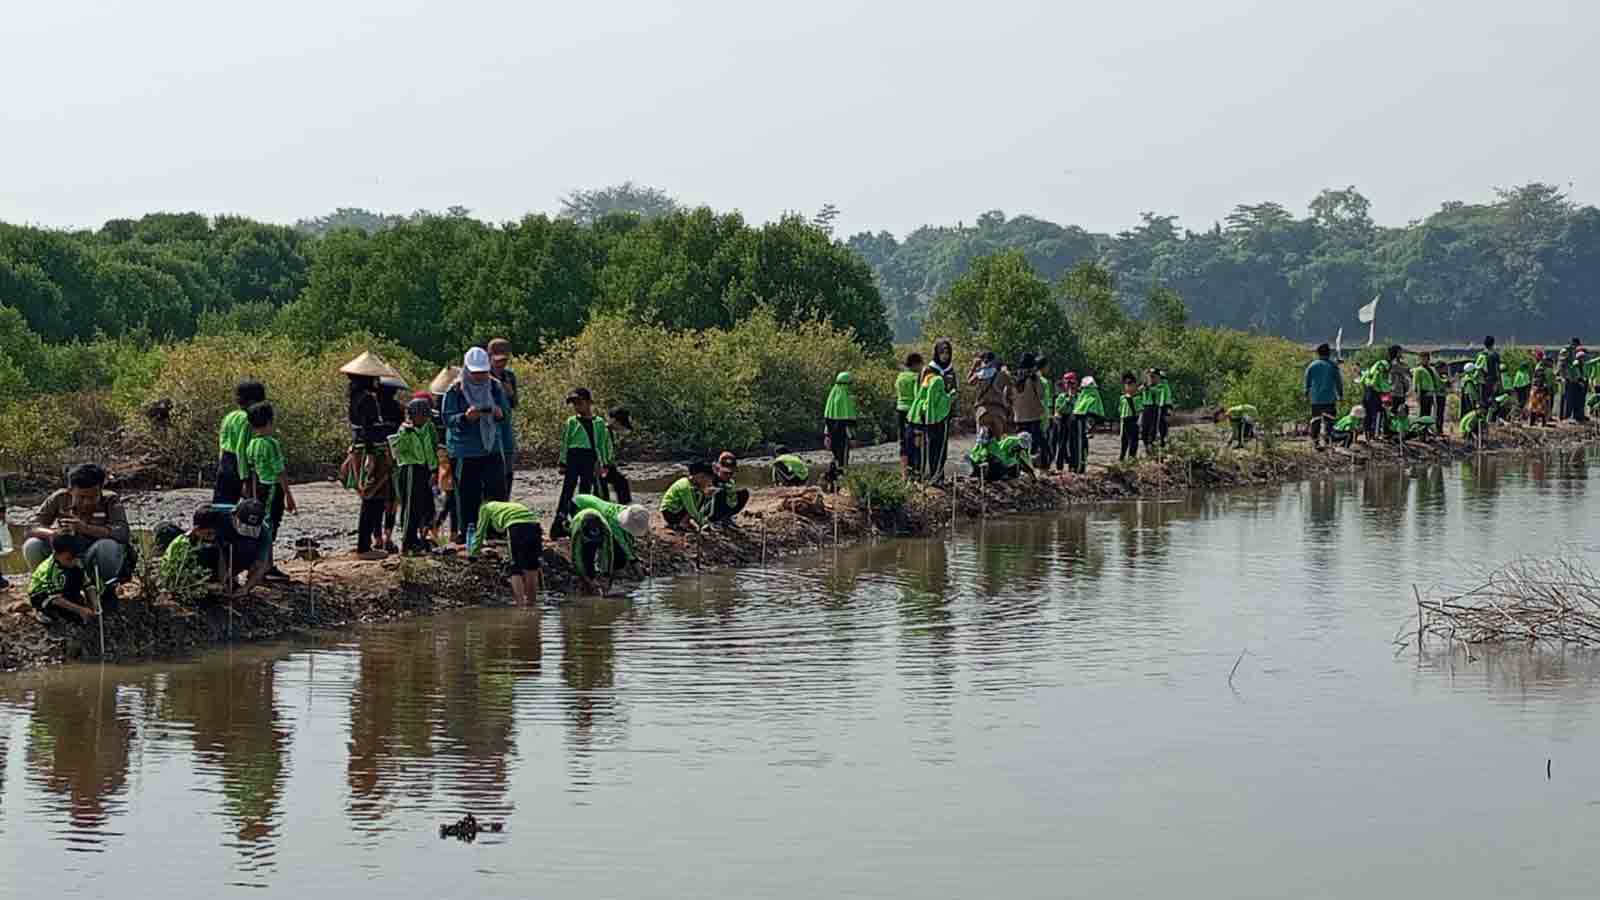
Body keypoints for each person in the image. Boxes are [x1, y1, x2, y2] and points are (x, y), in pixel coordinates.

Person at [23, 463, 131, 613]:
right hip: (65, 560)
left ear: (101, 489)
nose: (87, 502)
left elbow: (122, 532)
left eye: (93, 497)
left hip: (91, 558)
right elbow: (31, 527)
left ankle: (105, 591)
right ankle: (52, 591)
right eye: (81, 497)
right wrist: (54, 533)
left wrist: (85, 529)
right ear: (70, 490)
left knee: (109, 547)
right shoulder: (59, 498)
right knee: (32, 545)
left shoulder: (111, 500)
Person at [442, 347, 513, 545]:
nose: (480, 376)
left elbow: (506, 415)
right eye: (476, 372)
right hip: (465, 450)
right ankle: (469, 535)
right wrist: (465, 417)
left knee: (497, 492)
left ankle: (495, 533)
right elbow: (447, 419)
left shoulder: (495, 387)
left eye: (483, 371)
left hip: (491, 447)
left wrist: (499, 414)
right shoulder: (455, 390)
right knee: (467, 495)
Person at [340, 352, 401, 559]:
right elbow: (369, 430)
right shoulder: (367, 400)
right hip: (371, 451)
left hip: (361, 449)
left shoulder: (355, 397)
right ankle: (364, 547)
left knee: (372, 498)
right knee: (372, 499)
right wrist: (374, 456)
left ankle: (365, 544)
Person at [553, 387, 614, 537]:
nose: (577, 407)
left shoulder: (599, 423)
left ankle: (582, 522)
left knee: (585, 492)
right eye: (574, 404)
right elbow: (566, 443)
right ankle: (559, 523)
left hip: (590, 458)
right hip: (573, 457)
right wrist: (562, 462)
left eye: (580, 403)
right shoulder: (571, 422)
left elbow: (602, 445)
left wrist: (604, 464)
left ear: (589, 403)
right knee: (567, 491)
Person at [244, 401, 296, 576]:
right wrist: (288, 495)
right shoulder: (271, 444)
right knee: (270, 525)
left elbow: (252, 472)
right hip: (272, 487)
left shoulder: (251, 444)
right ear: (269, 421)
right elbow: (279, 471)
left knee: (264, 524)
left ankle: (266, 564)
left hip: (259, 488)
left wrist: (252, 494)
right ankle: (265, 566)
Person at [569, 494, 651, 593]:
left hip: (593, 511)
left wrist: (607, 574)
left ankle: (599, 572)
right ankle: (594, 574)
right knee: (588, 551)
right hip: (577, 504)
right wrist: (587, 579)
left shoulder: (629, 513)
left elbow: (622, 544)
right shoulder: (612, 524)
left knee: (618, 557)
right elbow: (576, 556)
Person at [391, 396, 442, 554]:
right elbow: (397, 451)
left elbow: (433, 447)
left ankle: (422, 537)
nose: (426, 418)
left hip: (426, 468)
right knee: (410, 508)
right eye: (423, 415)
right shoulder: (404, 430)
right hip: (411, 469)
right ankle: (408, 542)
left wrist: (434, 469)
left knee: (426, 506)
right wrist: (407, 432)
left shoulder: (429, 427)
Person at [467, 500, 542, 604]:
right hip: (535, 525)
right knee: (531, 567)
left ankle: (521, 605)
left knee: (515, 568)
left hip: (516, 526)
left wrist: (473, 555)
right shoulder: (508, 506)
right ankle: (532, 603)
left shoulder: (485, 508)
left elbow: (480, 533)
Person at [908, 345, 954, 484]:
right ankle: (930, 476)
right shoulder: (929, 370)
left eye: (947, 353)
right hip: (928, 414)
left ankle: (938, 475)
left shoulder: (950, 370)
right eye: (942, 352)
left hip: (944, 414)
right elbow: (920, 391)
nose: (945, 355)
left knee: (942, 447)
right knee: (929, 446)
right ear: (937, 353)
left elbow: (953, 389)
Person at [216, 380, 266, 504]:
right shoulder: (248, 419)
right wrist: (245, 479)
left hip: (225, 463)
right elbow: (241, 450)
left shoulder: (229, 416)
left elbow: (222, 445)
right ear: (254, 401)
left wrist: (221, 465)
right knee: (251, 508)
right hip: (240, 466)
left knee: (222, 506)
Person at [28, 534, 97, 624]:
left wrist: (95, 605)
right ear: (56, 554)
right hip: (43, 595)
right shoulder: (50, 570)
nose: (73, 562)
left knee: (76, 573)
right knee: (57, 617)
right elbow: (54, 598)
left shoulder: (75, 562)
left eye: (76, 558)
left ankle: (72, 604)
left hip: (61, 590)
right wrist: (81, 610)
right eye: (68, 559)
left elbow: (87, 585)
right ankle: (40, 611)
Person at [428, 366, 462, 543]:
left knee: (449, 493)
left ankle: (439, 527)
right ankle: (449, 529)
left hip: (439, 454)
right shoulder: (450, 404)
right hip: (451, 452)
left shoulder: (433, 407)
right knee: (453, 493)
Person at [161, 505, 226, 595]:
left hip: (204, 579)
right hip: (183, 585)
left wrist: (223, 582)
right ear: (196, 529)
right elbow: (174, 577)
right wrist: (205, 586)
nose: (212, 536)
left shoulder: (213, 541)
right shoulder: (183, 545)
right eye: (209, 533)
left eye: (215, 533)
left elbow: (221, 561)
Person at [486, 338, 519, 494]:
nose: (501, 364)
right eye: (498, 360)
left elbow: (514, 404)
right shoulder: (483, 374)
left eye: (504, 360)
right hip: (489, 428)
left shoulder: (509, 376)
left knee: (507, 468)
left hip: (505, 428)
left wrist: (510, 393)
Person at [1304, 343, 1344, 449]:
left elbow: (1307, 382)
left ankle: (1315, 443)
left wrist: (1306, 393)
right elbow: (1338, 382)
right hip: (1329, 399)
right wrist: (1340, 395)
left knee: (1316, 421)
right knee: (1329, 422)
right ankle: (1328, 442)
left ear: (1318, 353)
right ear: (1329, 353)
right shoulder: (1332, 366)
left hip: (1316, 399)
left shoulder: (1312, 366)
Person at [1010, 352, 1048, 460]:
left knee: (1021, 445)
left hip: (1018, 417)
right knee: (1040, 444)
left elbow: (1006, 395)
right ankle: (1042, 466)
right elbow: (1041, 394)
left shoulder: (1014, 378)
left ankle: (1021, 466)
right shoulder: (1033, 378)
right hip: (1033, 417)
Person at [660, 461, 716, 531]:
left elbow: (699, 506)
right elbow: (691, 508)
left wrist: (706, 496)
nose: (708, 483)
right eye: (706, 479)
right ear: (700, 476)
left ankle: (685, 521)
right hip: (670, 512)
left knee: (701, 497)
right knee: (692, 504)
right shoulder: (685, 485)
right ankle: (682, 523)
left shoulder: (696, 486)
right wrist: (702, 523)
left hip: (679, 509)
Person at [968, 351, 1012, 439]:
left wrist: (974, 367)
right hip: (998, 411)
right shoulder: (1002, 374)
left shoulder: (979, 374)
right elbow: (1011, 384)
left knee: (981, 443)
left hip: (983, 411)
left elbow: (969, 381)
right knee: (998, 442)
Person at [595, 407, 635, 503]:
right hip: (598, 466)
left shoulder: (609, 432)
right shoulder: (602, 430)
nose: (622, 427)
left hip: (606, 465)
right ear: (613, 420)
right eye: (622, 424)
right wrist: (604, 465)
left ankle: (624, 507)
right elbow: (599, 449)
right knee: (602, 491)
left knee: (621, 483)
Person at [1068, 376, 1105, 474]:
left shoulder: (1088, 395)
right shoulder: (1092, 395)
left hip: (1080, 421)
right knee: (1080, 445)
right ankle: (1078, 466)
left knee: (1079, 445)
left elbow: (1087, 413)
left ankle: (1079, 468)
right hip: (1080, 421)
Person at [1360, 346, 1399, 441]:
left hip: (1368, 391)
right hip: (1374, 393)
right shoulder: (1385, 366)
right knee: (1376, 413)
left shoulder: (1379, 365)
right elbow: (1381, 382)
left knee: (1369, 413)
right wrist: (1390, 388)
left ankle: (1369, 435)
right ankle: (1373, 435)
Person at [709, 451, 750, 526]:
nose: (728, 476)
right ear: (718, 469)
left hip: (725, 506)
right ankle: (715, 520)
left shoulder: (730, 481)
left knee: (744, 493)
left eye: (730, 473)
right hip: (709, 510)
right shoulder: (710, 478)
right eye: (725, 473)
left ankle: (726, 518)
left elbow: (732, 499)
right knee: (719, 492)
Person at [894, 353, 923, 452]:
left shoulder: (900, 376)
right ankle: (914, 464)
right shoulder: (916, 377)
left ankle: (904, 465)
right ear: (915, 364)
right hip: (912, 412)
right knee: (915, 440)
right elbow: (918, 395)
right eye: (920, 364)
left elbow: (897, 391)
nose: (921, 367)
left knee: (903, 440)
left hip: (900, 409)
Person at [1050, 372, 1078, 473]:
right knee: (1061, 443)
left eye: (1072, 383)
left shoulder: (1079, 396)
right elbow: (1059, 409)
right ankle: (1059, 466)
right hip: (1062, 420)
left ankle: (1073, 465)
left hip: (1074, 421)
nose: (1070, 386)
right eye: (1068, 383)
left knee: (1073, 444)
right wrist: (1068, 399)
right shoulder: (1061, 397)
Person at [1410, 351, 1441, 437]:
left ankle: (1426, 431)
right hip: (1423, 393)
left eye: (1426, 358)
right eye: (1422, 358)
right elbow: (1415, 383)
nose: (1425, 360)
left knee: (1428, 414)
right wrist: (1417, 395)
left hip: (1431, 393)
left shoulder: (1432, 369)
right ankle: (1420, 433)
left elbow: (1436, 381)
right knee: (1422, 414)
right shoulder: (1418, 370)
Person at [1117, 372, 1141, 461]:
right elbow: (1120, 410)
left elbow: (1140, 410)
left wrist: (1139, 422)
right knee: (1124, 441)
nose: (1129, 386)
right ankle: (1122, 458)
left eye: (1131, 384)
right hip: (1124, 420)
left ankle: (1131, 458)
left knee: (1133, 441)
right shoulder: (1122, 398)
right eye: (1126, 384)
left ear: (1135, 385)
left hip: (1133, 420)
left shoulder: (1137, 398)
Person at [1475, 337, 1501, 415]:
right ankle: (1491, 418)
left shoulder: (1481, 355)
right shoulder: (1495, 355)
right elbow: (1497, 369)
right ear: (1493, 344)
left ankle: (1483, 418)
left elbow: (1478, 368)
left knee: (1483, 400)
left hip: (1483, 381)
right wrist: (1499, 382)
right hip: (1493, 380)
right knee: (1493, 399)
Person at [1530, 353, 1556, 427]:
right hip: (1542, 391)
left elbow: (1534, 381)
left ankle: (1533, 422)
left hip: (1536, 390)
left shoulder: (1538, 368)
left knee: (1534, 407)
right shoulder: (1546, 370)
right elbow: (1548, 382)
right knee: (1543, 407)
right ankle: (1542, 423)